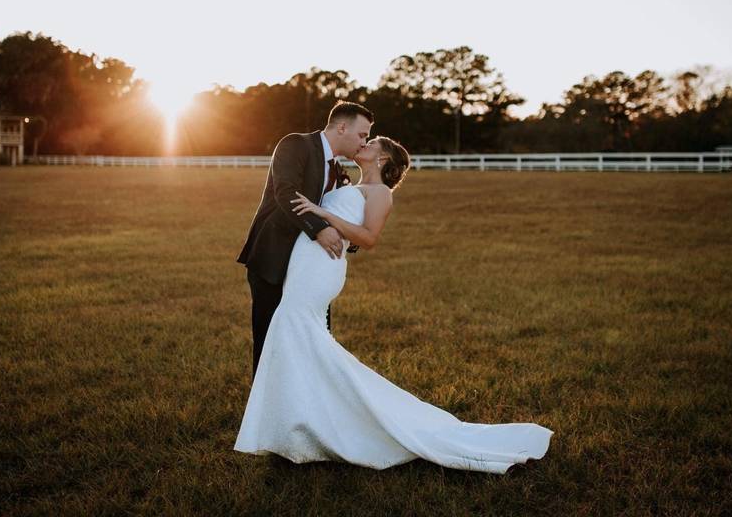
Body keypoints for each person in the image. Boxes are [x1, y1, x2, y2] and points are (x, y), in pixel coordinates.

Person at [234, 136, 553, 473]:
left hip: (321, 267)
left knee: (295, 327)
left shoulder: (381, 193)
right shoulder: (346, 181)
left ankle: (309, 422)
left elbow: (368, 238)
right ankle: (300, 420)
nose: (364, 144)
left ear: (383, 159)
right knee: (298, 336)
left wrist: (321, 214)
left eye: (370, 143)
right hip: (305, 262)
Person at [237, 101, 373, 377]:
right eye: (362, 135)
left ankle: (310, 397)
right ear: (342, 127)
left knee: (314, 331)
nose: (364, 142)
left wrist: (348, 235)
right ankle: (264, 405)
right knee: (269, 333)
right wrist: (319, 229)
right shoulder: (295, 144)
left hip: (309, 265)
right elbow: (285, 192)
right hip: (273, 255)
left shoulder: (336, 168)